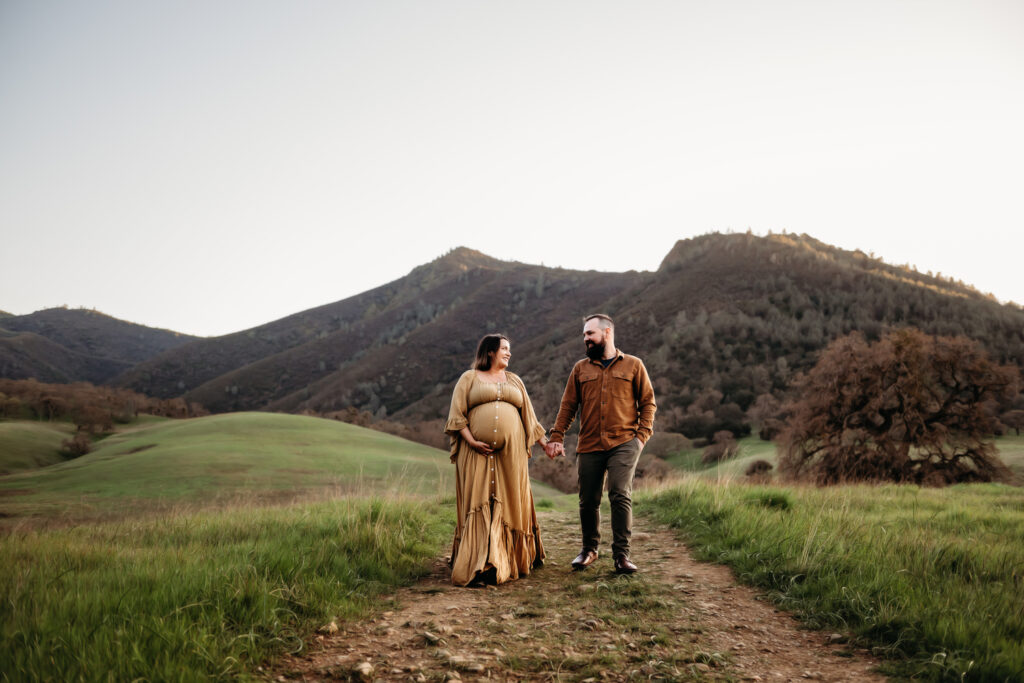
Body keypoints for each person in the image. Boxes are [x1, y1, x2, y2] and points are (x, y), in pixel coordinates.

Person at [547, 314, 656, 574]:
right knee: (588, 500)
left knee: (619, 494)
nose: (586, 339)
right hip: (590, 444)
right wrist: (556, 436)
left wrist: (641, 437)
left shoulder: (633, 365)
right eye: (584, 335)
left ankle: (621, 556)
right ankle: (589, 550)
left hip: (624, 441)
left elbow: (648, 402)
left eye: (590, 334)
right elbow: (568, 406)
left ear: (607, 333)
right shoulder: (580, 369)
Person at [444, 333, 551, 586]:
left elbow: (530, 419)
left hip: (511, 454)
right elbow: (456, 415)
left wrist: (546, 445)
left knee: (511, 500)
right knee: (478, 500)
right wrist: (471, 441)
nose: (509, 353)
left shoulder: (515, 381)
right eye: (504, 348)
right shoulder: (469, 378)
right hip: (474, 453)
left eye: (509, 349)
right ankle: (479, 565)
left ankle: (505, 559)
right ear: (490, 351)